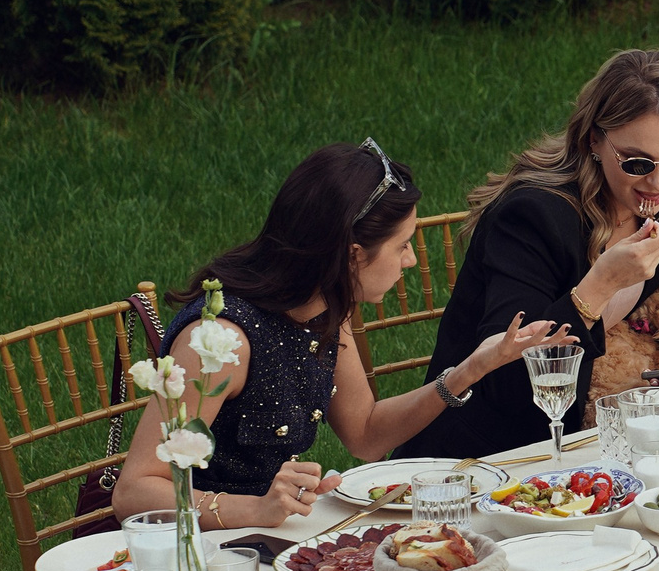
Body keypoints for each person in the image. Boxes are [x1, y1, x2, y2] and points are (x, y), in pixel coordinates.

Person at [111, 141, 566, 528]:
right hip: (206, 557)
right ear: (352, 255)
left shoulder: (325, 308)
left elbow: (365, 435)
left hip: (277, 536)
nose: (410, 260)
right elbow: (135, 491)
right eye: (402, 245)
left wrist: (472, 369)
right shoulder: (223, 339)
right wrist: (256, 509)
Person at [397, 50, 659, 462]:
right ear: (594, 141)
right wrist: (598, 288)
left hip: (605, 446)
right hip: (486, 458)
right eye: (637, 162)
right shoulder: (532, 217)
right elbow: (506, 386)